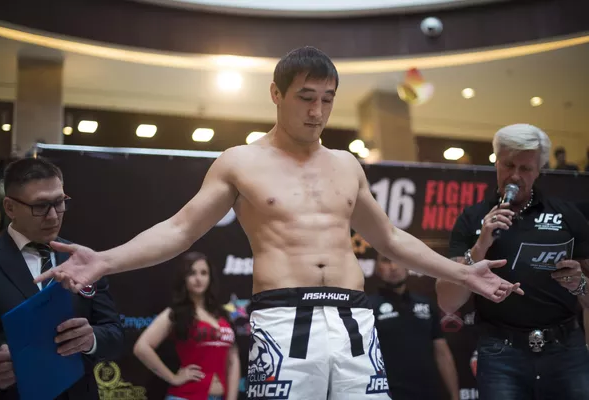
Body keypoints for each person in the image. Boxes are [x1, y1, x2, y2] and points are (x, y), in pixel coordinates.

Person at [36, 46, 522, 400]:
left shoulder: (347, 164)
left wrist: (463, 272)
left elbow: (390, 238)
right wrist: (105, 261)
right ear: (276, 93)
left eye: (327, 99)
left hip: (355, 321)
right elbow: (181, 229)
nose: (317, 111)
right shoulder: (240, 162)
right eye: (306, 97)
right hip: (284, 319)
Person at [437, 124, 589, 400]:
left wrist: (580, 284)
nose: (515, 176)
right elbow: (447, 301)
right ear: (496, 161)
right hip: (500, 353)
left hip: (565, 349)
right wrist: (480, 245)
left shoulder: (568, 215)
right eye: (508, 165)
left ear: (539, 170)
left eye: (525, 168)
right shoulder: (472, 218)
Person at [0, 157, 124, 400]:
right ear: (9, 208)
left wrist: (91, 338)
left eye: (59, 202)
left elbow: (115, 334)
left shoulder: (82, 258)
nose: (53, 216)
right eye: (40, 206)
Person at [133, 251, 240, 400]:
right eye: (192, 273)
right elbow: (141, 347)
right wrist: (173, 378)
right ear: (184, 278)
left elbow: (233, 359)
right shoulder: (176, 313)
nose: (198, 278)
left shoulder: (223, 315)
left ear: (210, 277)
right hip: (185, 395)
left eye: (204, 273)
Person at [370, 255, 459, 400]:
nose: (393, 267)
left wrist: (455, 396)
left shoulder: (426, 304)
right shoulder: (367, 308)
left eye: (397, 260)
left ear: (407, 265)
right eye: (386, 260)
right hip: (387, 393)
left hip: (428, 392)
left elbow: (442, 353)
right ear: (377, 268)